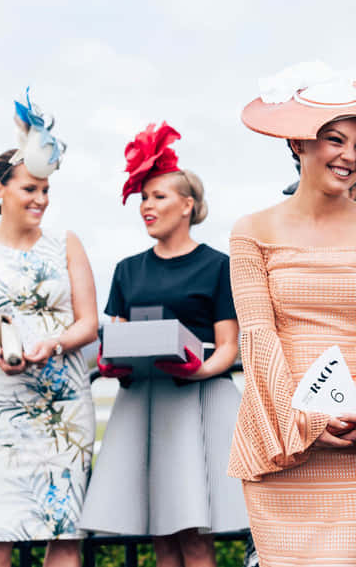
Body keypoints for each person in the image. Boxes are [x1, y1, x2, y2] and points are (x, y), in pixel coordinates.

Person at [229, 62, 356, 567]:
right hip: (280, 433)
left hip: (355, 433)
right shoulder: (251, 230)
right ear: (297, 144)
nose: (350, 156)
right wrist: (303, 421)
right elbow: (258, 338)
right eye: (335, 140)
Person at [79, 122, 247, 567]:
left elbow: (229, 345)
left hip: (197, 399)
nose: (146, 206)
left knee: (192, 534)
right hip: (143, 402)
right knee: (159, 533)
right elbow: (112, 336)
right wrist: (111, 363)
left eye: (158, 197)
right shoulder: (127, 269)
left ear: (187, 205)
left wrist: (200, 370)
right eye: (143, 198)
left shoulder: (217, 265)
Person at [0, 92, 97, 567]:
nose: (40, 199)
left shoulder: (66, 243)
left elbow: (89, 323)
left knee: (65, 536)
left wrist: (57, 341)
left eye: (45, 190)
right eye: (29, 188)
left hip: (65, 405)